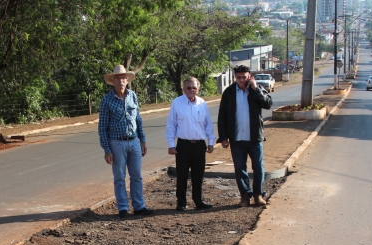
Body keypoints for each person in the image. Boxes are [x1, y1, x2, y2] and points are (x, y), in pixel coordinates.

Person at [98, 65, 153, 218]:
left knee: (137, 176)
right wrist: (107, 150)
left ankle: (139, 206)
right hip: (117, 143)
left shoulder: (132, 96)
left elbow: (138, 119)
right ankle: (122, 208)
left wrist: (142, 140)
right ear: (113, 80)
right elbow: (102, 127)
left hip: (134, 141)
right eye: (117, 78)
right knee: (119, 177)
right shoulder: (106, 100)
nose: (120, 80)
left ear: (127, 80)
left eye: (123, 78)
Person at [217, 65, 273, 207]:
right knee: (240, 168)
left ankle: (258, 195)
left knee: (258, 167)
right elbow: (222, 115)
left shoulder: (256, 89)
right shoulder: (229, 92)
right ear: (235, 77)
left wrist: (255, 89)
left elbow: (268, 104)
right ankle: (245, 196)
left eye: (244, 77)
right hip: (237, 138)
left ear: (249, 76)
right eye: (238, 77)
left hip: (254, 138)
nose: (241, 80)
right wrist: (223, 137)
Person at [165, 77, 215, 211]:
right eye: (188, 88)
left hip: (199, 144)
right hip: (183, 145)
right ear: (184, 89)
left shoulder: (202, 103)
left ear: (198, 89)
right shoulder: (177, 103)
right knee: (182, 174)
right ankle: (181, 202)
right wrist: (171, 144)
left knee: (198, 175)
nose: (191, 90)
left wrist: (211, 142)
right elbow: (171, 124)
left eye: (194, 88)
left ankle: (199, 201)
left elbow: (208, 124)